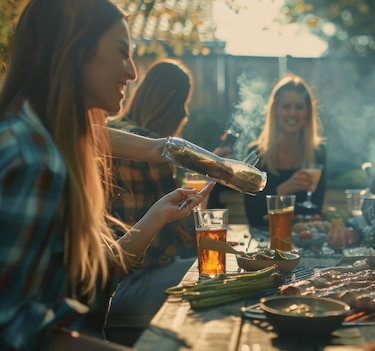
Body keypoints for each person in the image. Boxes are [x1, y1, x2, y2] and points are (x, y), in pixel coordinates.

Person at [0, 1, 207, 350]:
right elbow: (14, 330)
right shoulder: (34, 160)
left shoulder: (50, 143)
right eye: (122, 52)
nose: (132, 73)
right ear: (75, 51)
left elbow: (94, 276)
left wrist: (158, 215)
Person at [105, 59, 209, 344]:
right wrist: (204, 198)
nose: (186, 112)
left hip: (107, 277)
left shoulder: (108, 133)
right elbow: (186, 238)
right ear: (173, 101)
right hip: (129, 284)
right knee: (214, 276)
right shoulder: (155, 147)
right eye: (185, 102)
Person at [243, 73, 326, 228]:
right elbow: (254, 217)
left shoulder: (318, 153)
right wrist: (283, 190)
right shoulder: (256, 153)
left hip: (302, 240)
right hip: (265, 242)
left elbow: (314, 210)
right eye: (286, 106)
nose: (292, 113)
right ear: (275, 110)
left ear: (308, 112)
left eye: (299, 107)